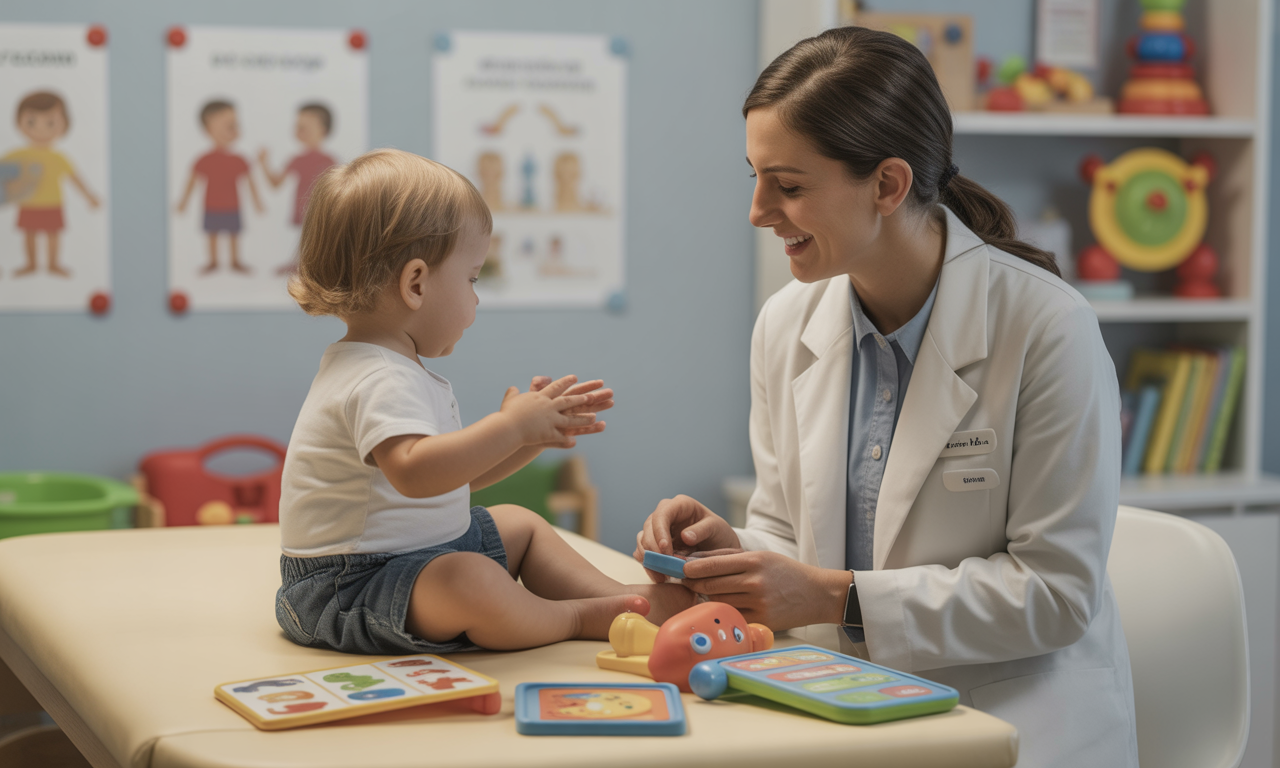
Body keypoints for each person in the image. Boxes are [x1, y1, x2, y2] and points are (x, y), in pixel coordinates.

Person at [634, 27, 1136, 767]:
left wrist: (834, 599)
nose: (759, 211)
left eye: (791, 185)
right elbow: (786, 529)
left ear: (888, 185)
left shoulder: (1047, 328)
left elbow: (1055, 596)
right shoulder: (786, 324)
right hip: (837, 707)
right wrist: (733, 554)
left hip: (1010, 726)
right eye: (757, 178)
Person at [277, 148, 692, 656]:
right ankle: (575, 615)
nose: (475, 298)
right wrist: (511, 427)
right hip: (347, 588)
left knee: (518, 522)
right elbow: (415, 474)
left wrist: (529, 437)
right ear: (415, 284)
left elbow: (449, 484)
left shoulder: (388, 368)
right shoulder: (377, 376)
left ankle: (621, 597)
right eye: (472, 279)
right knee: (469, 579)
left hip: (412, 559)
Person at [2, 91, 101, 278]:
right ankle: (30, 264)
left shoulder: (59, 158)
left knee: (53, 234)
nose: (41, 129)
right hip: (28, 202)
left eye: (50, 123)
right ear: (19, 123)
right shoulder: (18, 155)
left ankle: (53, 264)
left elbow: (75, 178)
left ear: (64, 125)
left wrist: (89, 196)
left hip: (53, 203)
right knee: (29, 234)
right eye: (31, 122)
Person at [176, 100, 263, 274]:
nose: (235, 130)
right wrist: (183, 202)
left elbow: (250, 182)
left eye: (235, 125)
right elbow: (192, 181)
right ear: (208, 130)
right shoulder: (204, 159)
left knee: (233, 233)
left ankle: (235, 260)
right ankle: (213, 261)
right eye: (229, 126)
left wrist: (257, 202)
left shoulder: (239, 160)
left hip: (233, 205)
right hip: (211, 205)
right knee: (212, 233)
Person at [258, 102, 338, 274]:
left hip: (320, 207)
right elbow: (275, 182)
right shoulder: (296, 159)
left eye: (304, 128)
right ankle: (300, 264)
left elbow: (338, 186)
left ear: (323, 130)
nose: (299, 132)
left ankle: (314, 266)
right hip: (302, 205)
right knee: (306, 236)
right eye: (297, 127)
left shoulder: (329, 160)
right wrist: (264, 164)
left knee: (317, 236)